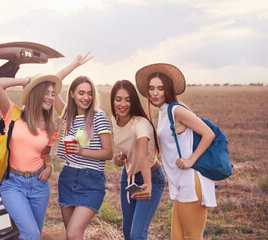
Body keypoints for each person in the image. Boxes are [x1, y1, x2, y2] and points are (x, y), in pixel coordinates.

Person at [135, 63, 217, 240]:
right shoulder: (164, 112)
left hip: (191, 181)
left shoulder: (176, 110)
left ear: (168, 89)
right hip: (181, 183)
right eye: (151, 88)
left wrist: (191, 159)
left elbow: (208, 134)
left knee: (192, 236)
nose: (155, 93)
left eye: (160, 88)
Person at [0, 74, 61, 240]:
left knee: (34, 235)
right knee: (30, 234)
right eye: (47, 92)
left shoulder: (52, 126)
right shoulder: (12, 114)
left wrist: (50, 167)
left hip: (39, 185)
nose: (51, 97)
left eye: (53, 94)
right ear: (35, 93)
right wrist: (24, 81)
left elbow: (45, 153)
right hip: (12, 184)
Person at [54, 53, 114, 240]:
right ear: (71, 94)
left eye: (89, 93)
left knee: (73, 234)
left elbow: (109, 153)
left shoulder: (98, 117)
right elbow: (52, 86)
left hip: (91, 180)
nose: (86, 97)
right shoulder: (67, 115)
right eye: (81, 93)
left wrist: (81, 151)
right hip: (68, 177)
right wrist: (73, 65)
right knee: (71, 235)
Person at [110, 80, 166, 240]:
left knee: (137, 234)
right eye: (118, 99)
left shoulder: (140, 124)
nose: (123, 104)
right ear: (112, 100)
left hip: (151, 178)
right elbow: (129, 146)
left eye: (128, 99)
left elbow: (142, 156)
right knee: (127, 231)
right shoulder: (115, 119)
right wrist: (122, 157)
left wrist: (147, 185)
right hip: (128, 177)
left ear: (133, 100)